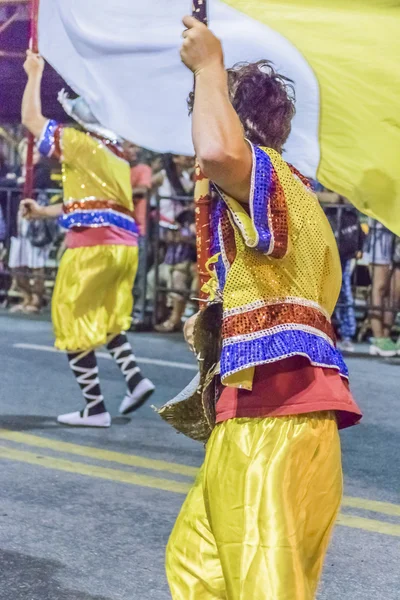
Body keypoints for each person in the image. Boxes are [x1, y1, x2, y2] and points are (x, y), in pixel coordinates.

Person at [165, 16, 362, 600]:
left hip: (271, 421)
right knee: (198, 571)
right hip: (270, 420)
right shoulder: (291, 190)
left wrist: (208, 67)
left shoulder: (259, 174)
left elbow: (218, 149)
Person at [20, 50, 155, 427]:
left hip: (91, 249)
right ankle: (135, 377)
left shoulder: (79, 143)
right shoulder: (116, 155)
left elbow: (31, 120)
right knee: (105, 318)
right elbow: (92, 206)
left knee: (71, 319)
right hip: (122, 247)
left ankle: (95, 408)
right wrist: (44, 210)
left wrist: (34, 73)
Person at [367, 220, 400, 356]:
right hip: (382, 230)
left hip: (396, 232)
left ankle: (386, 336)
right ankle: (378, 338)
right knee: (380, 287)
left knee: (395, 291)